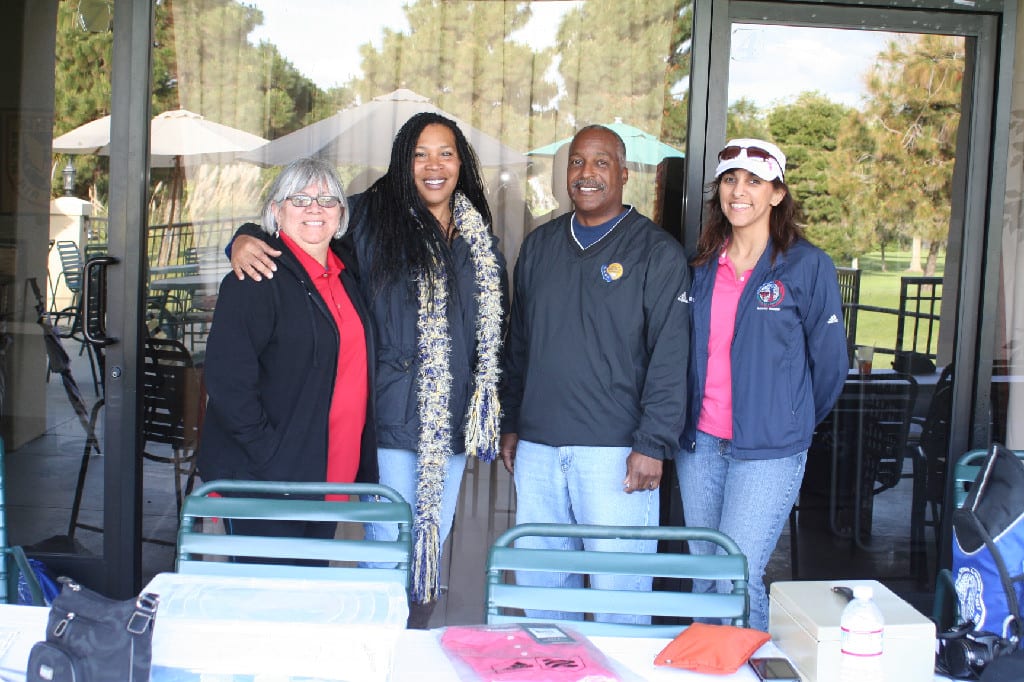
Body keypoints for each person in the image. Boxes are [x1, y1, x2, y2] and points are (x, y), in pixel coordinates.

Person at [228, 113, 507, 627]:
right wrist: (244, 236)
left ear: (461, 162)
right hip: (392, 415)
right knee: (389, 547)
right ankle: (376, 643)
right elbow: (306, 228)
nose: (433, 165)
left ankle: (406, 642)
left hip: (449, 422)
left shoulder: (476, 237)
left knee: (429, 545)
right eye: (420, 153)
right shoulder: (373, 218)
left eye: (446, 153)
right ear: (403, 160)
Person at [499, 125, 691, 624]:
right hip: (539, 452)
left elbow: (671, 356)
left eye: (601, 163)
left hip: (617, 457)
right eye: (578, 163)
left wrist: (654, 443)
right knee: (542, 603)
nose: (587, 174)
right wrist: (512, 421)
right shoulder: (540, 246)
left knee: (619, 606)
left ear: (625, 174)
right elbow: (519, 342)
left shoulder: (656, 252)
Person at [676, 138, 848, 631]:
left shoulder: (806, 265)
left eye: (754, 181)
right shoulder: (703, 265)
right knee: (706, 576)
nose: (739, 191)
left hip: (769, 451)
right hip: (701, 444)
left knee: (738, 576)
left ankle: (749, 668)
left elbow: (830, 365)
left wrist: (789, 422)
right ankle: (710, 665)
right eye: (730, 179)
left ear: (777, 193)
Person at [199, 156, 377, 546]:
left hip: (328, 472)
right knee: (265, 594)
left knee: (306, 590)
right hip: (269, 480)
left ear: (342, 215)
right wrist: (270, 457)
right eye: (299, 199)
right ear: (275, 211)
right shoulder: (254, 278)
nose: (315, 209)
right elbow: (228, 384)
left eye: (328, 200)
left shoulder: (346, 273)